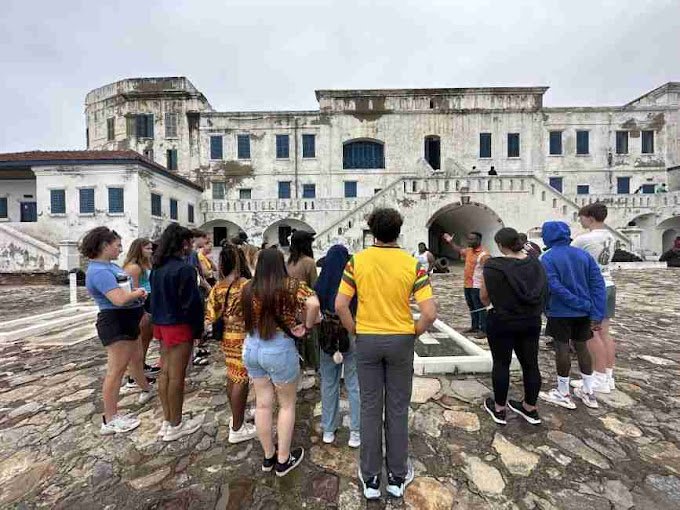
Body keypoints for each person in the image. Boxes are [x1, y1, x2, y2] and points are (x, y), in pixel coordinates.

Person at [336, 208, 437, 500]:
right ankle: (396, 476)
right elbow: (430, 312)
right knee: (397, 407)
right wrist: (413, 332)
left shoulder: (356, 262)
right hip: (400, 340)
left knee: (369, 407)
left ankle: (370, 478)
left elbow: (340, 304)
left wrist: (355, 330)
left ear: (373, 232)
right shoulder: (412, 264)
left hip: (367, 338)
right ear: (398, 232)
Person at [239, 247, 320, 477]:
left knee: (262, 405)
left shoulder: (248, 288)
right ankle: (283, 459)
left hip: (252, 347)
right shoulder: (291, 286)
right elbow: (313, 304)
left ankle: (268, 456)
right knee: (286, 405)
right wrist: (307, 326)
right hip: (278, 348)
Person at [81, 227, 155, 436]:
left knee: (136, 359)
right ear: (104, 246)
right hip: (116, 321)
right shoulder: (100, 271)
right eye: (117, 245)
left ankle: (146, 388)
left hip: (128, 319)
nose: (120, 249)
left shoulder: (110, 266)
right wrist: (139, 292)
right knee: (116, 370)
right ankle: (110, 417)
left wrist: (135, 295)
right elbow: (119, 299)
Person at [480, 228, 547, 426]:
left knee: (501, 363)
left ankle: (499, 408)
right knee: (531, 363)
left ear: (501, 245)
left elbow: (484, 297)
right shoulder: (535, 263)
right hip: (530, 320)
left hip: (502, 320)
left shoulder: (493, 266)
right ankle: (530, 407)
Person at [538, 221, 606, 410]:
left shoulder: (547, 258)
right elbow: (597, 284)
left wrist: (577, 303)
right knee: (582, 347)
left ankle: (563, 392)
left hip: (560, 311)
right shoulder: (584, 255)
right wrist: (596, 312)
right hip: (584, 312)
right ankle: (588, 390)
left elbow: (554, 286)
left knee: (562, 348)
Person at [151, 223, 205, 441]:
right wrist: (199, 330)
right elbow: (192, 304)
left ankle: (168, 419)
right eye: (189, 242)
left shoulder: (157, 268)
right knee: (177, 376)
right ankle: (176, 424)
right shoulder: (184, 270)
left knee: (165, 372)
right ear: (183, 244)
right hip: (179, 325)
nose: (191, 246)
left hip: (161, 323)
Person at [205, 243, 257, 444]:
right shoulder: (247, 285)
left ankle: (237, 415)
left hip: (226, 338)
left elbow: (210, 316)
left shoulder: (217, 288)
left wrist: (227, 318)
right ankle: (237, 427)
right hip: (244, 338)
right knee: (241, 379)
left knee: (232, 375)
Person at [314, 245, 361, 448]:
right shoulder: (352, 283)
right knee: (354, 384)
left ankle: (328, 429)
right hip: (350, 333)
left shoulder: (320, 284)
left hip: (328, 337)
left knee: (328, 383)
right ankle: (355, 432)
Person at [570, 203, 617, 393]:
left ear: (589, 217)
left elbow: (569, 256)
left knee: (590, 333)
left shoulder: (584, 239)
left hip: (593, 288)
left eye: (581, 217)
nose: (580, 221)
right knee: (604, 332)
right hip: (609, 283)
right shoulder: (610, 236)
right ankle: (608, 376)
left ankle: (598, 377)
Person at [122, 238, 159, 389]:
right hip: (141, 303)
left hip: (150, 300)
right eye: (147, 248)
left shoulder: (146, 264)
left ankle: (141, 366)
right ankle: (133, 375)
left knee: (147, 337)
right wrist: (141, 310)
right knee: (140, 340)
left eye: (151, 248)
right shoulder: (134, 268)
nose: (151, 251)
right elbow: (133, 289)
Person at [442, 231, 490, 338]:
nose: (469, 241)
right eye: (468, 239)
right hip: (467, 284)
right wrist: (450, 242)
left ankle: (484, 329)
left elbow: (488, 272)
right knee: (472, 306)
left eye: (472, 239)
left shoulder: (484, 255)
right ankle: (475, 326)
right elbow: (459, 250)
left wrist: (485, 288)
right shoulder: (469, 251)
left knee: (480, 308)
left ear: (479, 240)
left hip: (477, 285)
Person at [287, 230, 320, 382]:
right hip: (306, 307)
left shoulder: (288, 262)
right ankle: (310, 368)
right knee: (309, 339)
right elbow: (314, 287)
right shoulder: (309, 262)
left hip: (290, 308)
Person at [189, 229, 212, 366]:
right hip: (197, 289)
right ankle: (193, 353)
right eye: (205, 239)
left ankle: (196, 349)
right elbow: (196, 273)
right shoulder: (192, 254)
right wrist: (207, 286)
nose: (207, 242)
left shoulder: (194, 253)